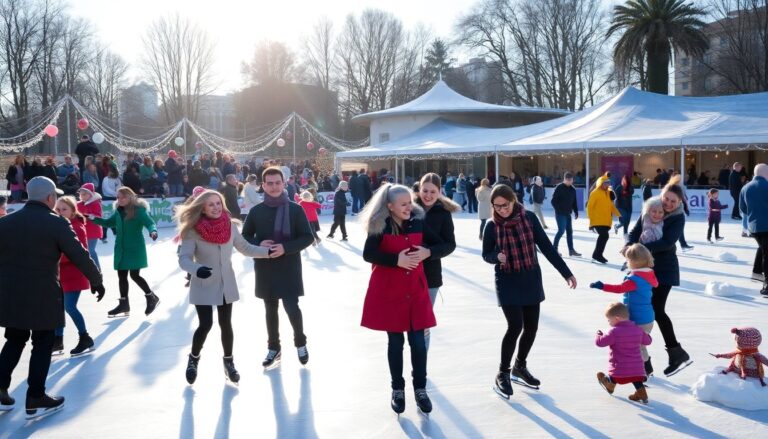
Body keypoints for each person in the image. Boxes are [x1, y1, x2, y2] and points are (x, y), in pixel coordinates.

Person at [0, 176, 104, 420]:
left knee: (14, 339)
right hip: (44, 294)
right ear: (49, 198)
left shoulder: (6, 223)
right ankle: (36, 396)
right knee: (43, 342)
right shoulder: (56, 223)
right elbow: (78, 254)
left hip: (11, 293)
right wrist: (97, 280)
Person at [482, 184, 577, 398]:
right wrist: (495, 257)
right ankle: (503, 373)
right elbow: (486, 254)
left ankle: (520, 366)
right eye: (497, 207)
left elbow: (547, 248)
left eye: (505, 205)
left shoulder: (530, 219)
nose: (502, 210)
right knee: (515, 326)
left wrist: (566, 273)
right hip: (507, 280)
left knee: (531, 327)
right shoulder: (491, 226)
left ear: (513, 201)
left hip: (530, 277)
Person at [177, 190, 271, 385]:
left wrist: (268, 252)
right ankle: (193, 359)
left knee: (225, 323)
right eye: (210, 204)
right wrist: (196, 268)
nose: (216, 207)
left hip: (226, 282)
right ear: (202, 207)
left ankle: (229, 363)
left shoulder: (230, 226)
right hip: (203, 282)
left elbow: (246, 248)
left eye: (218, 203)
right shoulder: (192, 231)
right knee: (205, 325)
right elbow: (184, 258)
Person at [359, 183, 436, 414]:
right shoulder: (380, 225)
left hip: (415, 292)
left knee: (419, 344)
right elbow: (368, 254)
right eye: (403, 204)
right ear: (390, 206)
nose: (408, 207)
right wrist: (396, 260)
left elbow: (443, 243)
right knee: (395, 343)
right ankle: (398, 389)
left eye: (410, 203)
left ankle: (420, 389)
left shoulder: (418, 221)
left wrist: (428, 252)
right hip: (390, 292)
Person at [241, 167, 314, 368]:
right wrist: (258, 242)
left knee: (292, 307)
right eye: (270, 183)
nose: (274, 187)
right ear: (263, 186)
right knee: (270, 310)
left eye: (277, 183)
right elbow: (245, 236)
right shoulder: (256, 211)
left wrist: (286, 248)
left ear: (284, 183)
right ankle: (274, 347)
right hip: (265, 267)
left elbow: (308, 237)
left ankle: (300, 342)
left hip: (289, 266)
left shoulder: (295, 209)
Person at [625, 175, 691, 376]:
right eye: (666, 199)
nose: (668, 204)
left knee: (655, 310)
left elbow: (667, 242)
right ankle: (647, 361)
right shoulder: (651, 208)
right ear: (661, 196)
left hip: (663, 270)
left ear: (679, 203)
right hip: (642, 269)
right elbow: (634, 231)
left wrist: (639, 249)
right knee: (640, 310)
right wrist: (629, 244)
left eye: (673, 201)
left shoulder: (678, 217)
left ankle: (673, 352)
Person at [91, 187, 160, 318]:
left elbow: (150, 223)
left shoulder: (138, 211)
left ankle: (151, 297)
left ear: (130, 197)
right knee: (121, 276)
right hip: (121, 248)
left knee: (134, 275)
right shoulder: (118, 211)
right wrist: (93, 218)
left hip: (134, 248)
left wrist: (153, 231)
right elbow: (108, 223)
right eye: (118, 197)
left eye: (123, 197)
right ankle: (124, 304)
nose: (120, 200)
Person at [590, 243, 658, 375]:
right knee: (640, 344)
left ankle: (645, 370)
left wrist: (602, 286)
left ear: (633, 262)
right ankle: (646, 368)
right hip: (648, 317)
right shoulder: (649, 274)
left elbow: (619, 288)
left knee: (638, 346)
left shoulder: (635, 280)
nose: (626, 262)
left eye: (628, 260)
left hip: (638, 318)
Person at [52, 196, 102, 357]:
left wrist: (54, 255)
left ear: (73, 211)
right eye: (57, 209)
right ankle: (57, 339)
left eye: (64, 209)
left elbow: (79, 254)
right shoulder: (57, 226)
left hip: (74, 274)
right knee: (58, 307)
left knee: (69, 307)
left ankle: (85, 337)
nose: (60, 212)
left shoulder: (77, 227)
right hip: (59, 275)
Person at [414, 173, 457, 351]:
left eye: (433, 191)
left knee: (423, 321)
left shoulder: (444, 214)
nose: (428, 195)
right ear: (419, 189)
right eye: (425, 190)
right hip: (406, 271)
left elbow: (450, 244)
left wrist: (429, 252)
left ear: (439, 192)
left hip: (430, 275)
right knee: (407, 321)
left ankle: (421, 362)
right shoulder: (409, 207)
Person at [595, 302, 652, 404]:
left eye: (609, 320)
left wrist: (598, 335)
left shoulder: (613, 332)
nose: (609, 322)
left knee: (614, 375)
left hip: (619, 374)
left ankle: (609, 385)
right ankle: (642, 393)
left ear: (616, 318)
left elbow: (600, 343)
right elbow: (648, 341)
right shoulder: (638, 329)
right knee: (636, 379)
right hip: (638, 372)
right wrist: (646, 335)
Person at [739, 163, 768, 297]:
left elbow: (743, 209)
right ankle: (766, 283)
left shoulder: (745, 188)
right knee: (766, 253)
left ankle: (757, 272)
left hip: (754, 227)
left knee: (763, 249)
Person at [587, 175, 621, 264]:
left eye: (608, 183)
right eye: (606, 183)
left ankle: (597, 254)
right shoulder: (595, 193)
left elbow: (611, 206)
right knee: (604, 236)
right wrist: (591, 222)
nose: (608, 185)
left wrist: (619, 215)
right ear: (600, 184)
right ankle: (597, 255)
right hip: (597, 221)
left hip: (606, 221)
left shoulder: (607, 193)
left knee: (604, 237)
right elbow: (589, 207)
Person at [551, 172, 581, 256]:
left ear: (572, 180)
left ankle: (571, 250)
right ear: (564, 179)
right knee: (561, 231)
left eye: (570, 180)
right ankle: (554, 248)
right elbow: (553, 201)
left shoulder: (573, 189)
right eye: (567, 180)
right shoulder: (559, 188)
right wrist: (559, 210)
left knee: (569, 232)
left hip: (568, 214)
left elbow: (574, 202)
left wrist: (576, 211)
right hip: (560, 214)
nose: (569, 182)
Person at [76, 183, 104, 271]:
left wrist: (87, 215)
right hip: (82, 231)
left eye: (84, 194)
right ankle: (88, 269)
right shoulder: (78, 204)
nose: (82, 196)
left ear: (90, 194)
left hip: (93, 231)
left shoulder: (95, 203)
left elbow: (98, 216)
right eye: (81, 194)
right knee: (84, 251)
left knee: (90, 250)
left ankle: (97, 269)